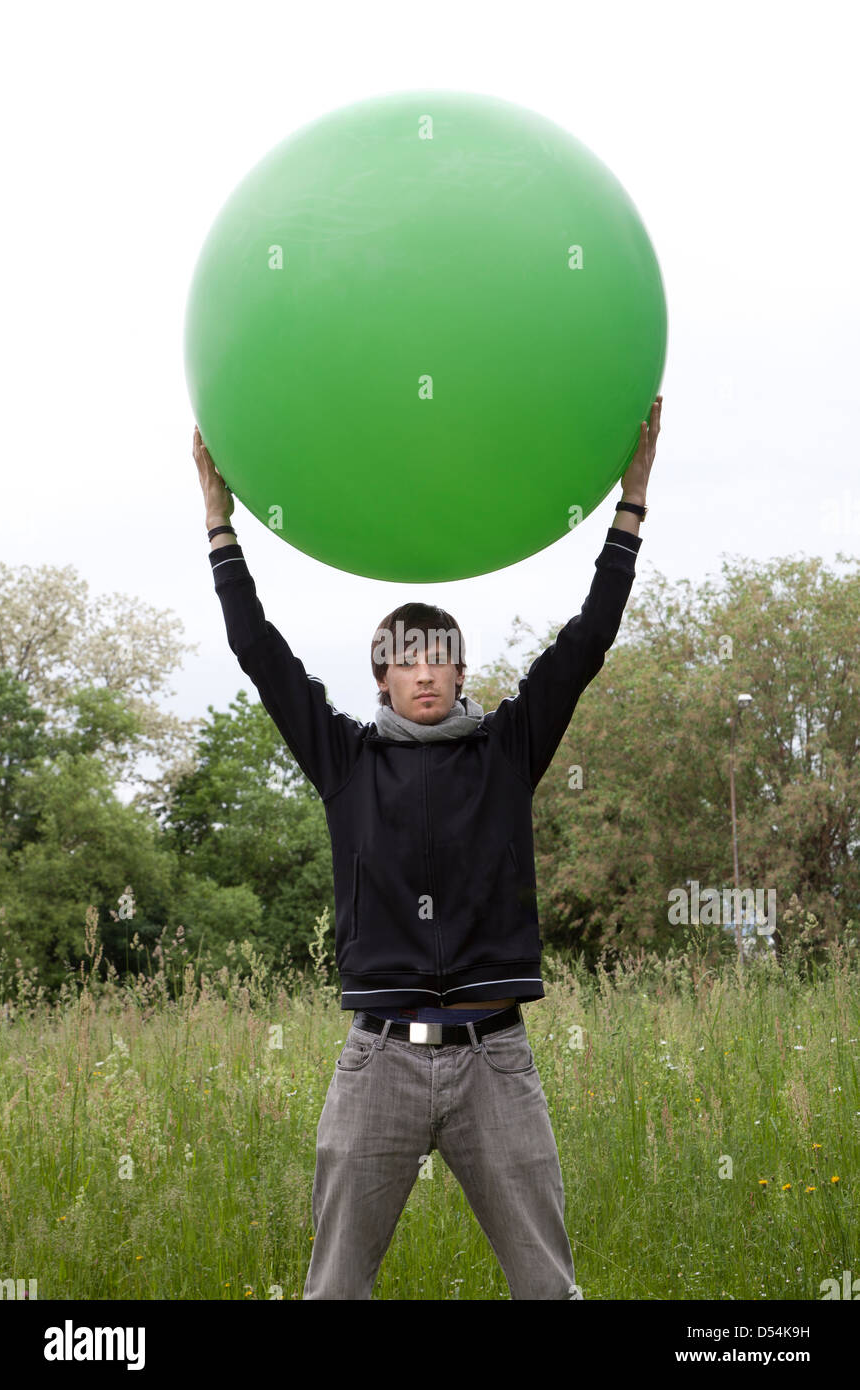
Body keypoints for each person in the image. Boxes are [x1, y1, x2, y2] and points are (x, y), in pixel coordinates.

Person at [193, 396, 662, 1300]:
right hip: (380, 1062)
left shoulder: (508, 750)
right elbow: (259, 651)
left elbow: (588, 639)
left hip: (497, 1061)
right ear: (383, 675)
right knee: (333, 1291)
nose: (421, 670)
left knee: (548, 1289)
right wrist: (220, 530)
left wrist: (629, 509)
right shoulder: (345, 761)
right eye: (403, 657)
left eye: (436, 655)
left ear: (457, 670)